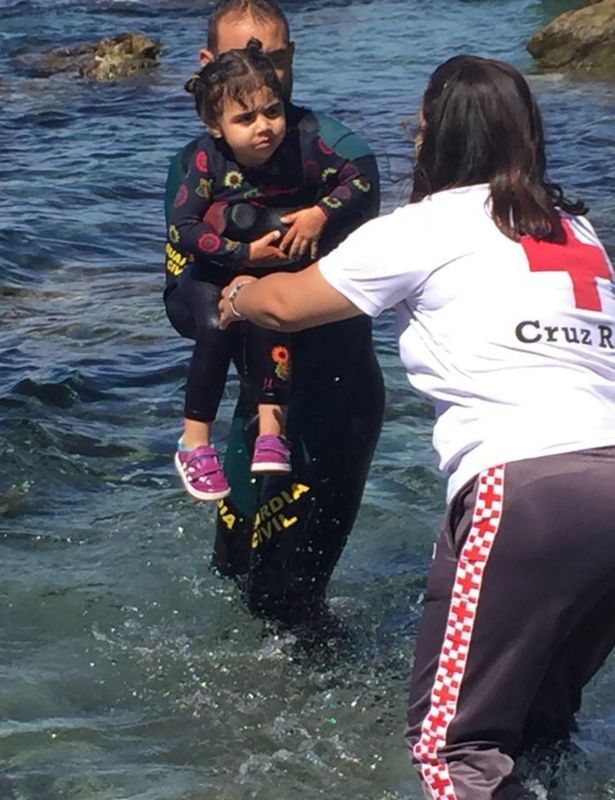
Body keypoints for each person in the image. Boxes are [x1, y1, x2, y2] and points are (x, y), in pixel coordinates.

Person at [218, 54, 615, 799]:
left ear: (436, 133)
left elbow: (289, 305)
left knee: (450, 748)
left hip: (525, 483)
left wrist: (237, 295)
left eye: (421, 121)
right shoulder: (577, 230)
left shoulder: (425, 226)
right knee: (540, 725)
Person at [164, 0, 384, 625]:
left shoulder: (327, 145)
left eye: (277, 61)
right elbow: (185, 301)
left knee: (294, 603)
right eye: (246, 59)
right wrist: (238, 293)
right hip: (255, 411)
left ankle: (338, 706)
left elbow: (367, 195)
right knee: (232, 583)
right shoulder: (197, 167)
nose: (267, 79)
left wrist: (318, 221)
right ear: (209, 67)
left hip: (336, 403)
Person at [168, 40, 374, 501]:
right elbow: (183, 228)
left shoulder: (301, 147)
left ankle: (270, 434)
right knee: (219, 324)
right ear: (215, 126)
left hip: (265, 277)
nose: (264, 128)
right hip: (211, 272)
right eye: (245, 120)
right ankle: (194, 442)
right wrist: (243, 256)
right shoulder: (207, 159)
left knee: (268, 319)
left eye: (272, 112)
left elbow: (359, 176)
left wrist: (321, 213)